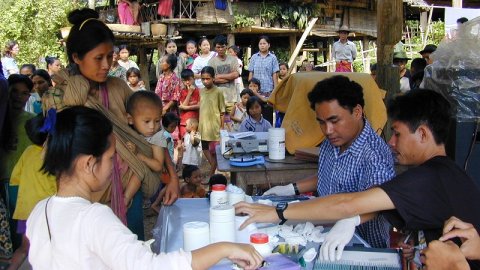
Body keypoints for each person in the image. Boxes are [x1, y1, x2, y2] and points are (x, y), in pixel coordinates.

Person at [236, 89, 480, 268]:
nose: (391, 142)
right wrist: (354, 218)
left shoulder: (429, 178)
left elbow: (348, 202)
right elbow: (380, 202)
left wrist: (277, 212)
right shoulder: (444, 173)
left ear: (423, 134)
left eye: (397, 134)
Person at [26, 106, 263, 270]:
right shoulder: (93, 217)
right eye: (111, 159)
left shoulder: (39, 211)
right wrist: (224, 248)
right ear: (89, 164)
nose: (115, 168)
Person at [57, 8, 180, 239]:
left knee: (131, 248)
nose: (106, 65)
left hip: (128, 191)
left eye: (109, 56)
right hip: (87, 198)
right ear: (76, 57)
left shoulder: (119, 88)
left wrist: (172, 177)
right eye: (98, 58)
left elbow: (154, 132)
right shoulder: (59, 97)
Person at [262, 75, 394, 248]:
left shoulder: (375, 154)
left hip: (360, 243)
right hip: (322, 231)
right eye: (322, 122)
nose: (328, 130)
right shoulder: (331, 142)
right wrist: (291, 188)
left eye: (334, 120)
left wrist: (353, 220)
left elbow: (380, 200)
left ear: (357, 111)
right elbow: (328, 174)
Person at [9, 113, 56, 269]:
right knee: (48, 249)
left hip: (25, 211)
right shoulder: (53, 155)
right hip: (46, 212)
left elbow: (15, 178)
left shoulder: (28, 151)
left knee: (24, 249)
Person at [125, 91, 165, 206]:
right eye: (147, 121)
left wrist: (139, 155)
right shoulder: (129, 131)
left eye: (157, 121)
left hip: (151, 180)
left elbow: (158, 166)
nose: (152, 127)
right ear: (130, 119)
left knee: (139, 170)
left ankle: (125, 199)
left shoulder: (157, 137)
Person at [198, 66, 225, 176]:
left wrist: (222, 127)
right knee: (205, 149)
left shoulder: (218, 91)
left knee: (216, 152)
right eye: (203, 79)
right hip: (204, 125)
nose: (205, 81)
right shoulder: (201, 91)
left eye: (208, 78)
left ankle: (211, 174)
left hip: (215, 126)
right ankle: (214, 167)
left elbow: (222, 111)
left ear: (213, 78)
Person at [208, 35, 239, 114]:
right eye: (218, 47)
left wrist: (219, 76)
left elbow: (236, 75)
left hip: (231, 98)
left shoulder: (233, 59)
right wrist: (229, 77)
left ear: (226, 46)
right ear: (215, 48)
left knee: (234, 122)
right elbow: (212, 79)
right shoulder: (211, 62)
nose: (221, 49)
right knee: (218, 122)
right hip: (217, 98)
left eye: (223, 46)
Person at [178, 69, 200, 139]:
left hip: (195, 122)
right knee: (185, 143)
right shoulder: (182, 92)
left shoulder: (198, 91)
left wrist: (186, 108)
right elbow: (183, 106)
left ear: (193, 79)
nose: (187, 82)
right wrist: (189, 93)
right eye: (185, 80)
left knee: (195, 143)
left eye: (189, 80)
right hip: (184, 123)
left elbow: (199, 106)